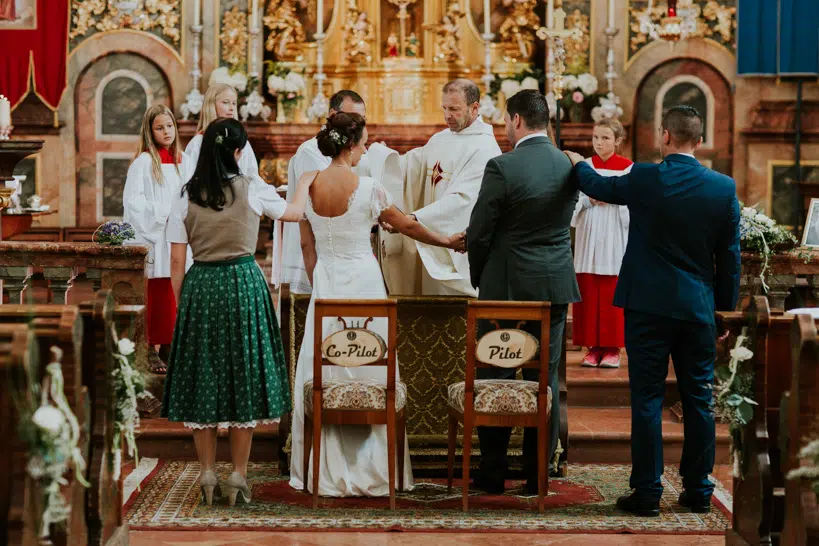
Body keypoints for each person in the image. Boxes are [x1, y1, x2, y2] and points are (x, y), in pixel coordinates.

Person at [565, 105, 741, 517]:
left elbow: (599, 186)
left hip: (646, 306)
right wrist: (724, 313)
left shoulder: (644, 177)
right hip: (697, 308)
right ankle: (698, 490)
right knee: (698, 398)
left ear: (665, 136)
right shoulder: (722, 187)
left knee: (646, 399)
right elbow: (729, 259)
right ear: (699, 140)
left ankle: (646, 493)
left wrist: (577, 164)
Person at [288, 112, 465, 496]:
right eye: (365, 143)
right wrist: (448, 242)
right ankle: (373, 469)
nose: (366, 149)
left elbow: (306, 245)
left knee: (326, 371)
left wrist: (322, 275)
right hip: (365, 284)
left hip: (327, 282)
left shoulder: (310, 185)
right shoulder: (369, 188)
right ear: (350, 146)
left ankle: (321, 469)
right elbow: (408, 226)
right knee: (370, 367)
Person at [162, 118, 313, 507]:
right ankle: (238, 475)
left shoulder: (185, 194)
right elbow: (294, 214)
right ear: (238, 152)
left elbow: (176, 261)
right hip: (243, 283)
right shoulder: (253, 188)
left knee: (205, 376)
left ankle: (208, 472)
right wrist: (304, 182)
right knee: (242, 374)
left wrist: (185, 305)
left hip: (201, 285)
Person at [465, 89, 579, 494]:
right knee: (543, 378)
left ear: (516, 120)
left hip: (506, 286)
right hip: (554, 285)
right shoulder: (569, 164)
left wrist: (480, 276)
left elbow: (479, 232)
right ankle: (537, 475)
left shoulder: (503, 166)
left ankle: (493, 472)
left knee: (496, 372)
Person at [375, 78, 502, 296]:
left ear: (474, 108)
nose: (447, 116)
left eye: (454, 109)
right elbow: (411, 169)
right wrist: (386, 160)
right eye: (444, 108)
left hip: (453, 250)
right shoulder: (440, 138)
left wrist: (413, 220)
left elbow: (462, 200)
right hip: (429, 239)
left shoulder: (484, 148)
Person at [274, 90, 368, 298]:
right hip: (317, 254)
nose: (358, 124)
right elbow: (318, 205)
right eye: (353, 117)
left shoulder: (353, 148)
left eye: (362, 119)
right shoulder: (310, 151)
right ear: (333, 115)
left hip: (343, 252)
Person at [123, 104, 192, 373]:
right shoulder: (142, 162)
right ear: (150, 131)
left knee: (175, 292)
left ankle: (169, 345)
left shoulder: (182, 160)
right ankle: (150, 347)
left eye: (170, 126)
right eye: (160, 127)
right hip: (156, 234)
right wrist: (164, 214)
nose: (167, 132)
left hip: (178, 235)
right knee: (156, 291)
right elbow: (133, 201)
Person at [571, 118, 633, 368]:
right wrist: (587, 202)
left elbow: (634, 204)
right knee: (588, 290)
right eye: (596, 137)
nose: (599, 142)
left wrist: (615, 200)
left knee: (611, 292)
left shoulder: (628, 168)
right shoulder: (583, 167)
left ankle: (612, 348)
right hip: (589, 233)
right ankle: (592, 347)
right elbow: (571, 202)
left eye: (605, 138)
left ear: (617, 141)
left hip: (614, 235)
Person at [185, 83, 264, 186]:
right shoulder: (198, 142)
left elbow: (253, 176)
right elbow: (189, 179)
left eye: (234, 103)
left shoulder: (241, 141)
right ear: (211, 105)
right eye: (226, 102)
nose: (231, 108)